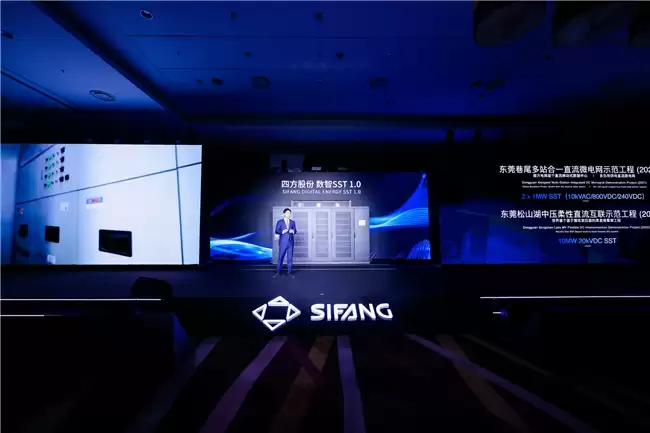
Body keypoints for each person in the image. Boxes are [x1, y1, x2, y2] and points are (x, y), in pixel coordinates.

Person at [274, 208, 296, 278]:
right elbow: (276, 231)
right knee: (280, 258)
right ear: (284, 214)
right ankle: (278, 272)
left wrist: (293, 231)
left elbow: (295, 230)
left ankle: (289, 272)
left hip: (291, 243)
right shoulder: (280, 222)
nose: (289, 214)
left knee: (290, 258)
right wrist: (282, 232)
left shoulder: (293, 222)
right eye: (287, 213)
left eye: (289, 213)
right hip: (283, 243)